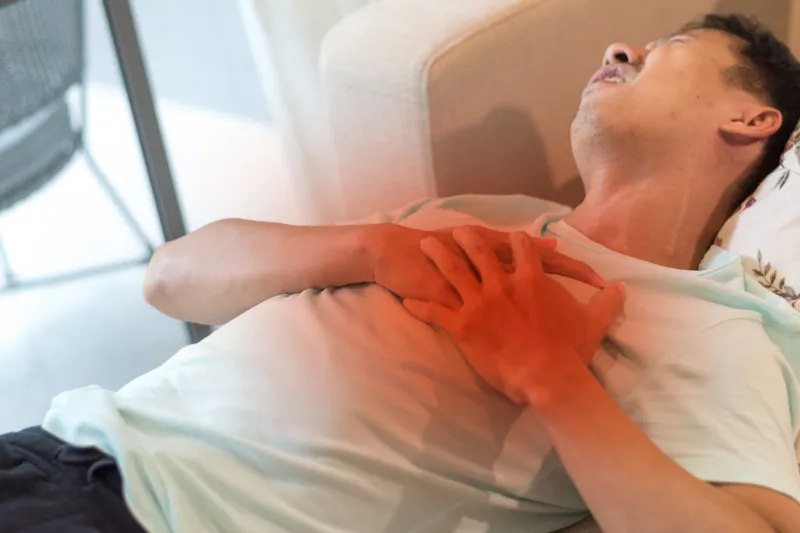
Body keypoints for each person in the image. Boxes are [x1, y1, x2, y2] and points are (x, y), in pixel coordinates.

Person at [2, 13, 800, 533]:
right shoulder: (493, 209)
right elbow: (171, 278)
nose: (618, 50)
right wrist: (373, 247)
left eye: (669, 52)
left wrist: (552, 376)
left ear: (750, 119)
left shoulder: (706, 322)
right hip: (61, 441)